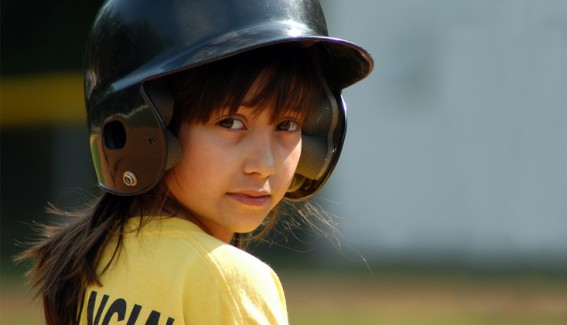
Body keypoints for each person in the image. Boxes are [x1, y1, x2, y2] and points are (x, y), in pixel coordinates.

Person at [16, 0, 373, 324]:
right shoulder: (227, 277)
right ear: (149, 126)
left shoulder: (92, 258)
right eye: (231, 123)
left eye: (288, 125)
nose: (264, 164)